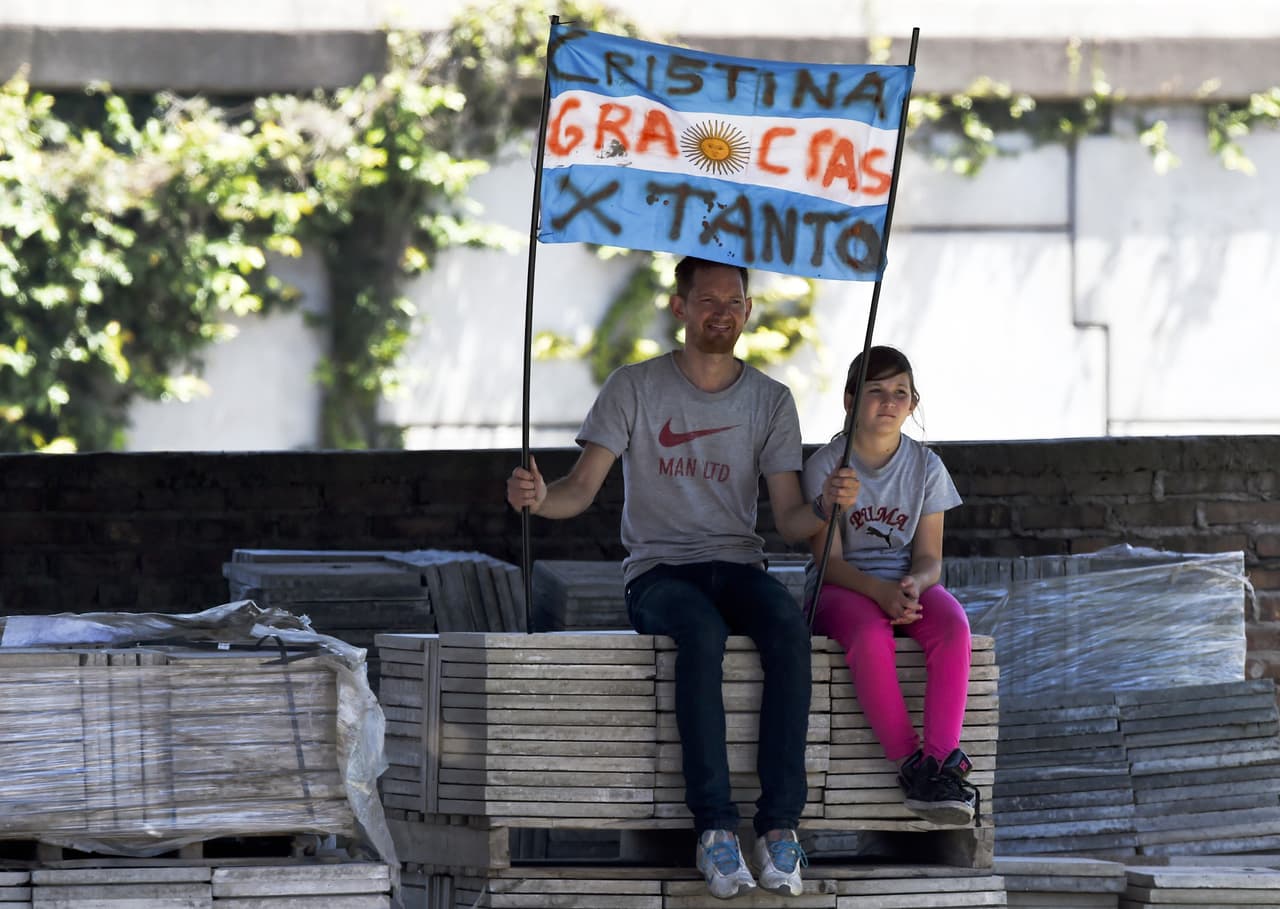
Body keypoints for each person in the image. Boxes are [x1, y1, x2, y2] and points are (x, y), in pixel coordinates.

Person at [507, 256, 859, 899]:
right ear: (680, 308)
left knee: (786, 625)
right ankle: (716, 830)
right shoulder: (633, 386)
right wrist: (537, 497)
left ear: (748, 311)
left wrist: (827, 505)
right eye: (707, 300)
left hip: (739, 563)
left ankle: (780, 828)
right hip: (659, 571)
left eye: (734, 301)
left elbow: (787, 520)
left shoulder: (771, 400)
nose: (721, 312)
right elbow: (579, 491)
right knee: (699, 634)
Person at [801, 345, 979, 826]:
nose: (888, 402)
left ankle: (941, 764)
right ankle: (911, 765)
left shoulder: (926, 467)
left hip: (903, 584)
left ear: (913, 404)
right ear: (849, 400)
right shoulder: (828, 467)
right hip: (841, 589)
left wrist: (913, 587)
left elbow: (929, 559)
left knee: (954, 626)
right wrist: (879, 595)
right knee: (867, 633)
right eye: (875, 391)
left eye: (900, 392)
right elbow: (828, 561)